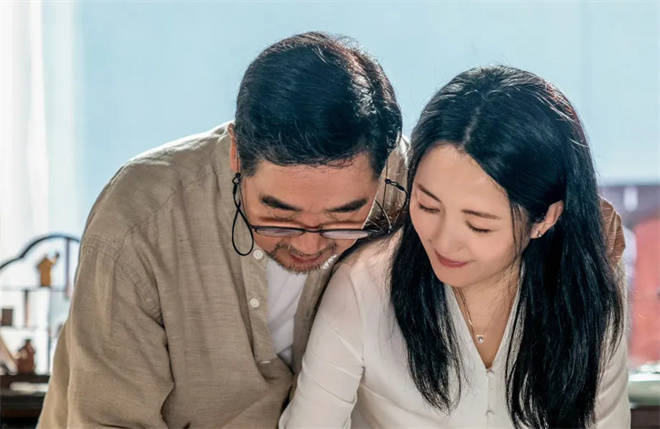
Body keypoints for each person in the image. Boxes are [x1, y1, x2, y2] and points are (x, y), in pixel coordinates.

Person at [38, 32, 408, 427]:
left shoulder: (414, 191)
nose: (309, 244)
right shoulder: (139, 219)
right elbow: (107, 420)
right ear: (236, 153)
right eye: (279, 216)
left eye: (341, 217)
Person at [281, 65, 629, 428]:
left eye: (478, 225)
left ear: (544, 219)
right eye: (428, 206)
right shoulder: (365, 286)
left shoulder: (587, 286)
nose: (444, 241)